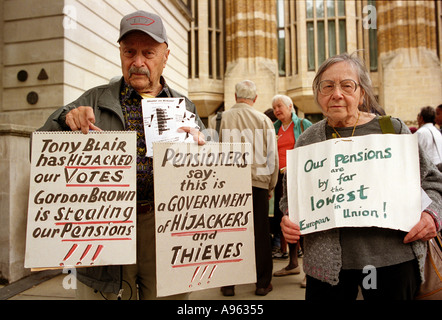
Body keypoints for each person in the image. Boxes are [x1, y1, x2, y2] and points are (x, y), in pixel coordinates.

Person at [37, 11, 206, 300]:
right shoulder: (94, 100)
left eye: (148, 53)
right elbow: (39, 151)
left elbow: (207, 172)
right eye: (130, 52)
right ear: (120, 54)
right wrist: (65, 119)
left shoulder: (184, 106)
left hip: (164, 226)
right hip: (106, 226)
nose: (138, 62)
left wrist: (203, 148)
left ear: (166, 56)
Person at [280, 52, 442, 300]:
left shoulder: (392, 130)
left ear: (361, 93)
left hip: (394, 263)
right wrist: (289, 219)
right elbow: (290, 197)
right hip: (327, 269)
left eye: (347, 85)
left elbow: (433, 182)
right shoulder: (307, 140)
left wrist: (432, 216)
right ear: (318, 94)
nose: (337, 94)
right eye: (327, 86)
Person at [217, 80, 279, 296]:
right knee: (261, 233)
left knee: (230, 232)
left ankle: (228, 283)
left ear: (235, 97)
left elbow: (219, 150)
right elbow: (272, 155)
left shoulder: (224, 117)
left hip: (231, 182)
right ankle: (262, 282)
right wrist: (271, 184)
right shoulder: (263, 119)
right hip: (258, 182)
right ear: (255, 99)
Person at [271, 95, 312, 282]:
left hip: (299, 177)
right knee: (285, 220)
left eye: (279, 106)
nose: (276, 110)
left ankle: (309, 270)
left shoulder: (303, 124)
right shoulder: (274, 128)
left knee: (303, 220)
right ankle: (293, 264)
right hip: (280, 180)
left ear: (290, 106)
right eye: (274, 107)